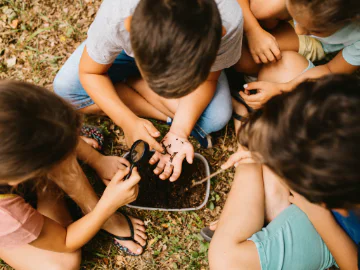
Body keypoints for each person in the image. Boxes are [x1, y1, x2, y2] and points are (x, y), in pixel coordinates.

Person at [53, 0, 244, 182]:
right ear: (130, 26)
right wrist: (126, 121)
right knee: (66, 90)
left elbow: (208, 78)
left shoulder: (228, 18)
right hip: (126, 48)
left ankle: (128, 83)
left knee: (215, 119)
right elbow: (89, 72)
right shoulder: (118, 14)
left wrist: (179, 131)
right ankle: (129, 82)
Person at [208, 74, 360, 269]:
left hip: (340, 234)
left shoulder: (327, 204)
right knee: (284, 67)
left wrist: (318, 215)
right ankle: (253, 157)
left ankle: (249, 160)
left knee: (226, 261)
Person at [0, 81, 147, 270]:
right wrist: (106, 207)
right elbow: (64, 241)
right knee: (62, 265)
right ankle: (48, 185)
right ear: (19, 177)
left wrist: (96, 160)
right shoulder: (6, 216)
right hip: (7, 221)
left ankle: (56, 156)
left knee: (51, 134)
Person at [235, 0, 360, 111]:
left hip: (317, 42)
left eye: (315, 30)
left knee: (245, 60)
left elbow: (330, 69)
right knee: (262, 8)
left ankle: (258, 74)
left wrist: (282, 88)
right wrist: (253, 31)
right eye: (296, 17)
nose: (299, 31)